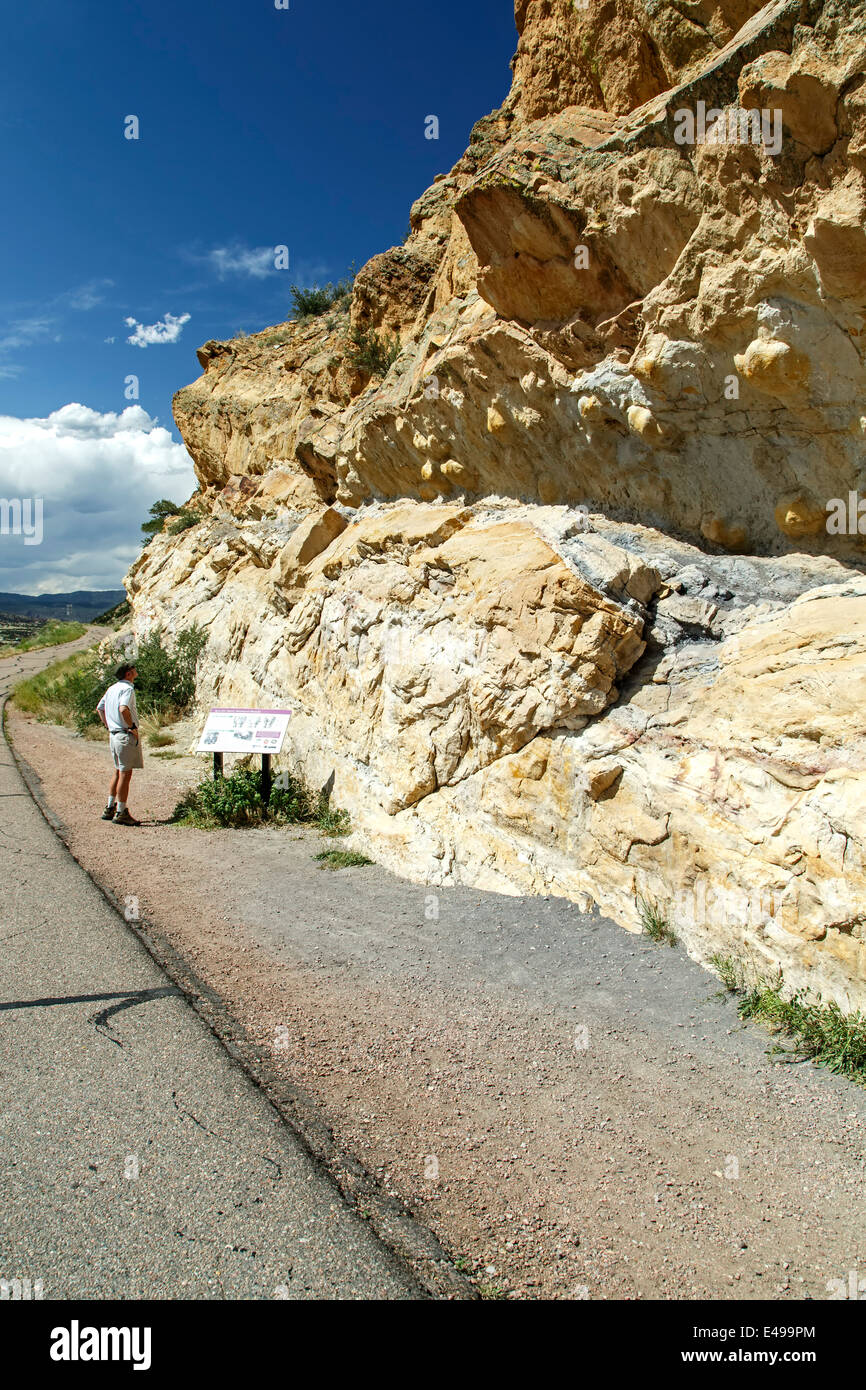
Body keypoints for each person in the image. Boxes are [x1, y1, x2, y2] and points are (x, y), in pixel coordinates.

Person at [95, 662, 143, 826]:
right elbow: (124, 708)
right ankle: (121, 811)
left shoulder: (111, 689)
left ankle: (110, 807)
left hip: (114, 735)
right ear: (128, 674)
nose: (136, 671)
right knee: (125, 773)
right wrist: (131, 727)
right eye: (133, 670)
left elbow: (100, 708)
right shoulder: (127, 689)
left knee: (118, 770)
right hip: (124, 735)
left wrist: (108, 725)